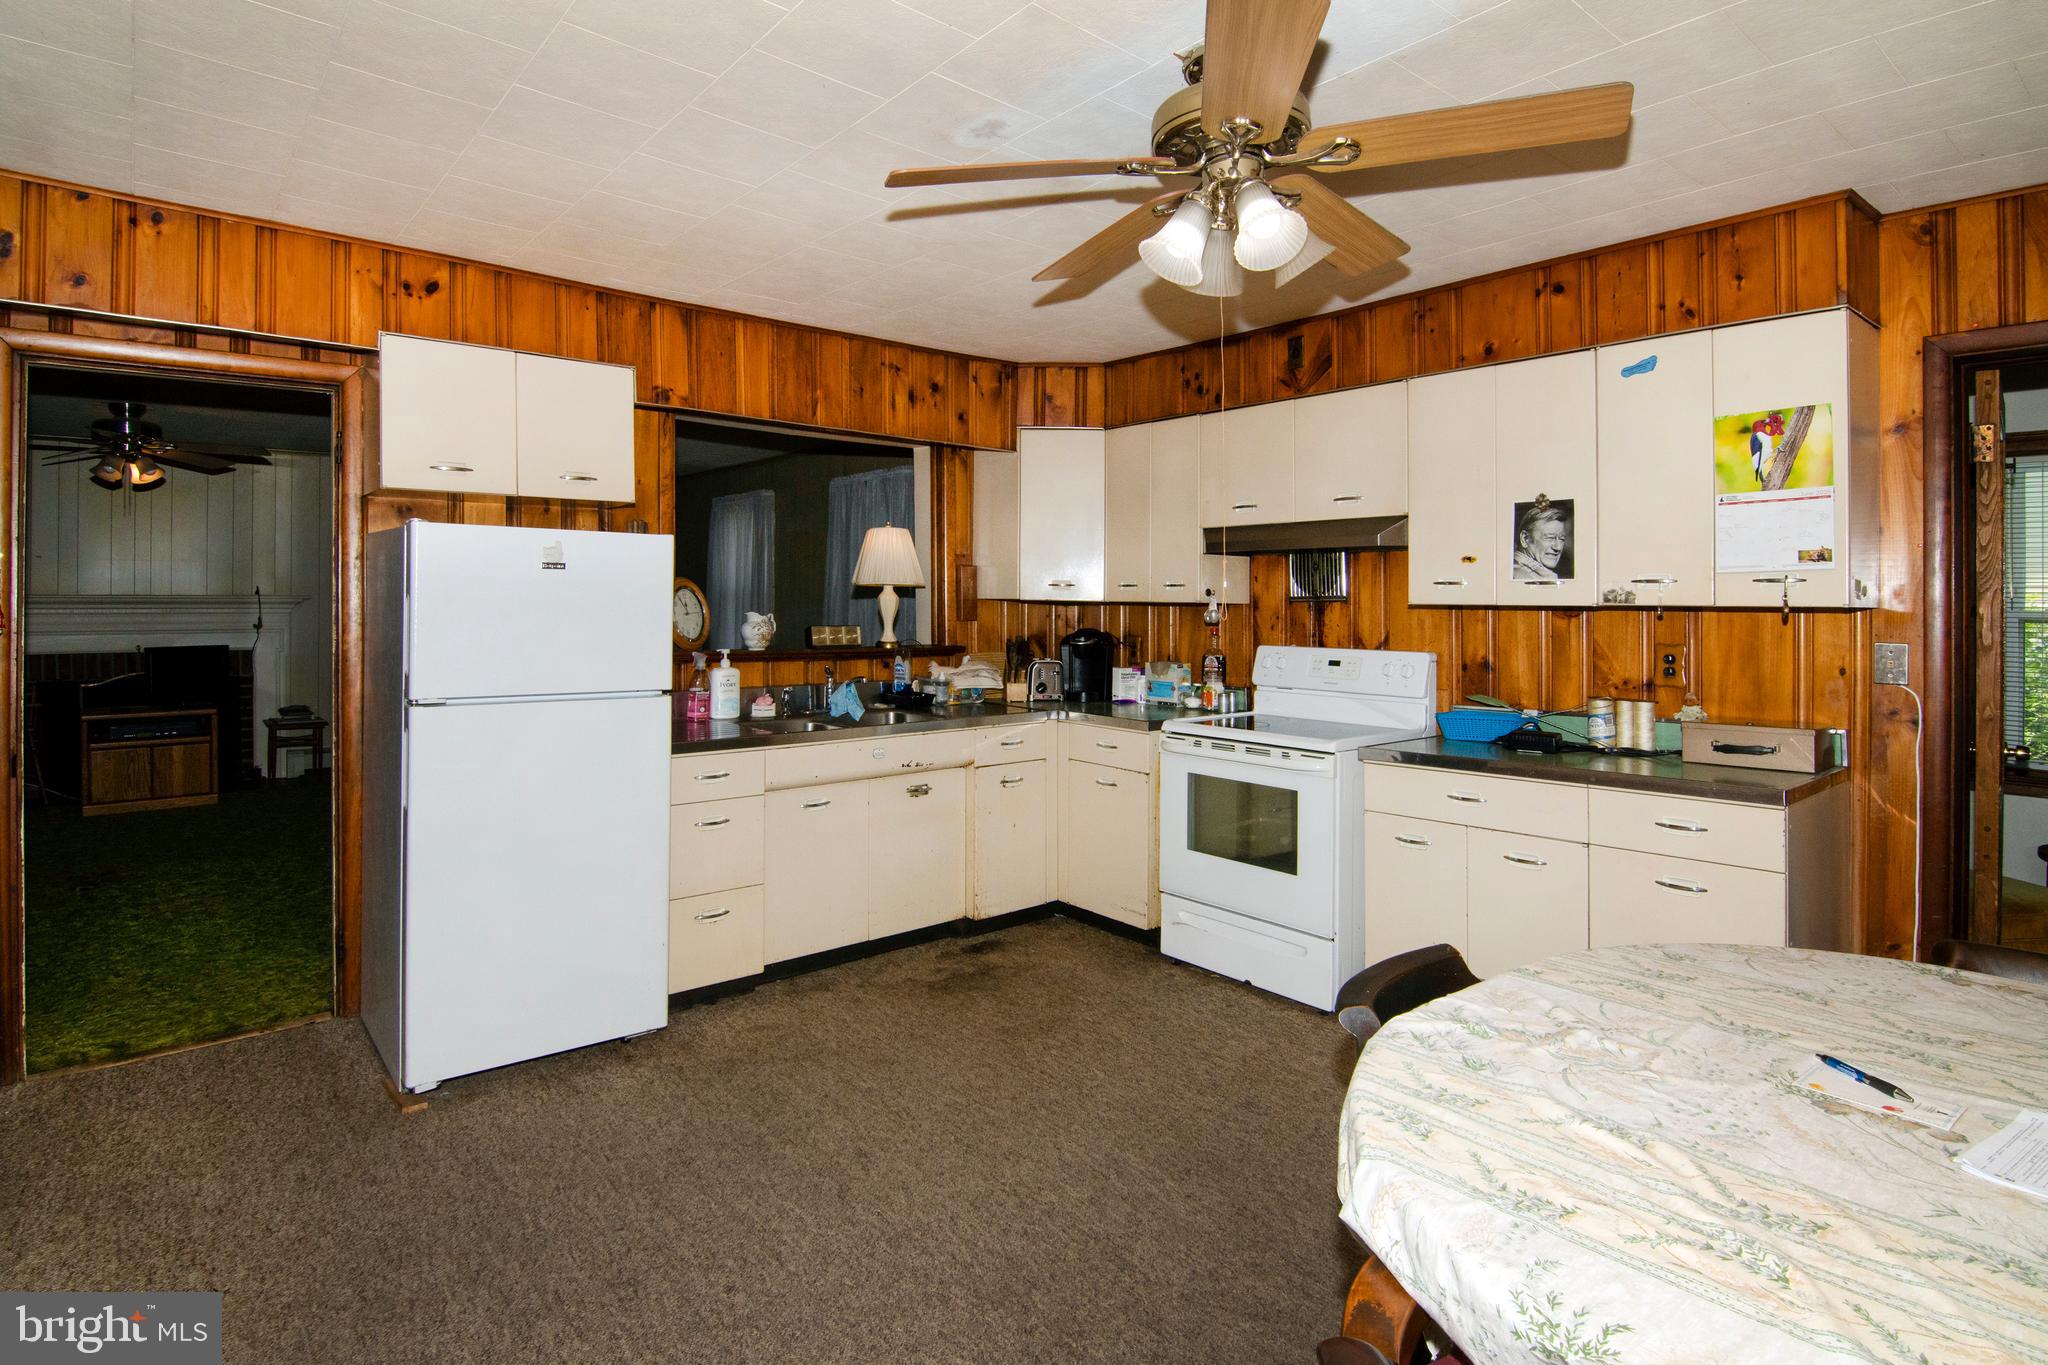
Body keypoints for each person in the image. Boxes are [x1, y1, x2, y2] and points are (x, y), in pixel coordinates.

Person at [1513, 503, 1570, 580]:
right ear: (1525, 538)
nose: (1558, 547)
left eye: (1562, 539)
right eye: (1550, 538)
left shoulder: (1539, 575)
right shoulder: (1518, 576)